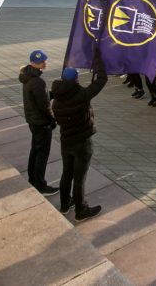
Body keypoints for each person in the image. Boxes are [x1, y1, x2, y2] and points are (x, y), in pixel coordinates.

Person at [51, 50, 109, 221]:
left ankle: (64, 204)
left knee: (66, 173)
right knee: (79, 178)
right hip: (82, 143)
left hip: (66, 141)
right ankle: (80, 210)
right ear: (76, 79)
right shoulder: (82, 95)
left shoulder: (56, 100)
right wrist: (97, 57)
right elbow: (102, 79)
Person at [19, 49, 58, 196]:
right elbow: (44, 106)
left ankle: (32, 179)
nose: (45, 63)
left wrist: (51, 94)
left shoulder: (27, 76)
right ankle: (40, 185)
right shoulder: (38, 82)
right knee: (42, 154)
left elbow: (39, 98)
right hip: (41, 122)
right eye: (43, 61)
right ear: (36, 64)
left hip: (33, 120)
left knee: (35, 150)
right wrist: (53, 120)